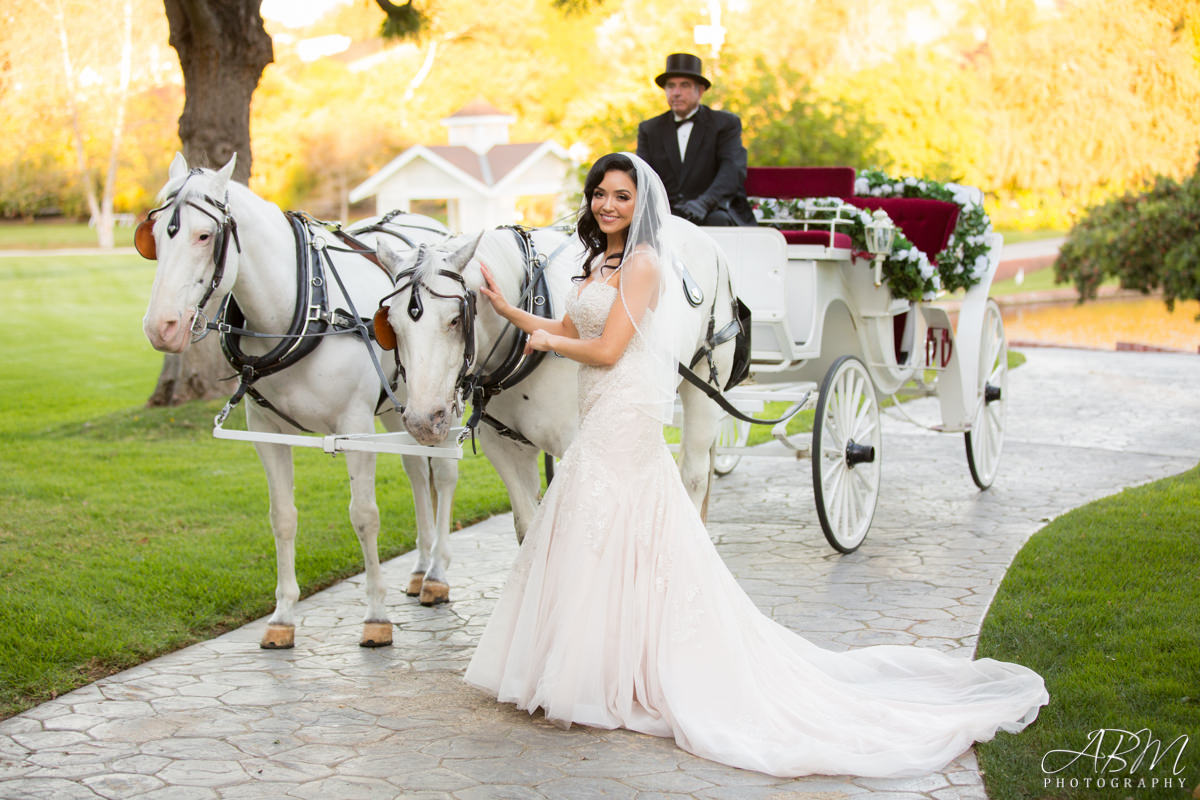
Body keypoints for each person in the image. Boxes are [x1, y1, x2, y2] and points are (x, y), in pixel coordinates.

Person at [466, 152, 1048, 778]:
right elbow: (567, 322)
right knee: (599, 522)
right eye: (600, 194)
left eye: (621, 197)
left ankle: (614, 669)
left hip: (622, 406)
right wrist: (509, 313)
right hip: (604, 404)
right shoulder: (600, 261)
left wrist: (553, 342)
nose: (607, 205)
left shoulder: (643, 264)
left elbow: (606, 350)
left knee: (607, 514)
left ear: (642, 206)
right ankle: (595, 662)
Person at [636, 53, 756, 227]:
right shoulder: (649, 129)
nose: (676, 93)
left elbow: (732, 170)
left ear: (700, 90)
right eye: (671, 86)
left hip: (715, 209)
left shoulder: (725, 124)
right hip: (667, 211)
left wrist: (704, 203)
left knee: (717, 222)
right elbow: (643, 175)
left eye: (684, 86)